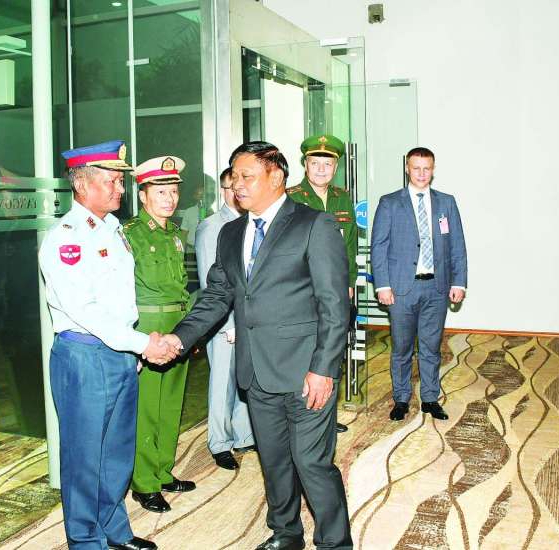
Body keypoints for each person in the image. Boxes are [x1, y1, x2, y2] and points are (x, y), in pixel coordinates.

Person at [165, 142, 353, 550]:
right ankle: (286, 533)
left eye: (246, 176)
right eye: (234, 176)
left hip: (306, 371)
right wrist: (179, 337)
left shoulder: (314, 224)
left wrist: (324, 369)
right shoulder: (231, 233)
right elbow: (217, 295)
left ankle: (335, 543)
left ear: (276, 177)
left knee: (312, 462)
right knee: (274, 461)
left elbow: (335, 305)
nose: (237, 184)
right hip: (255, 370)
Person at [39, 140, 171, 550]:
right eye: (111, 181)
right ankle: (85, 540)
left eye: (120, 181)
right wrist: (140, 344)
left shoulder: (113, 229)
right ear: (82, 184)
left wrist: (131, 348)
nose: (120, 188)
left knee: (117, 450)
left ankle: (115, 529)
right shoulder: (66, 238)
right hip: (84, 356)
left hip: (118, 352)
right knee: (84, 457)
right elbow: (86, 310)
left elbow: (119, 301)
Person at [370, 147, 467, 422]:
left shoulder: (446, 203)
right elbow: (379, 247)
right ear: (407, 169)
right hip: (401, 289)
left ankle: (430, 399)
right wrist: (382, 285)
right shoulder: (390, 203)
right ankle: (401, 399)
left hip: (436, 288)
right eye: (416, 168)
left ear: (433, 170)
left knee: (431, 347)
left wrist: (459, 281)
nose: (422, 174)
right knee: (401, 348)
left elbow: (457, 245)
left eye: (427, 168)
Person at [124, 155, 197, 513]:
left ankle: (163, 471)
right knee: (146, 409)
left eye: (173, 192)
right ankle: (144, 482)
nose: (170, 199)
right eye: (161, 192)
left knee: (170, 405)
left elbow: (182, 287)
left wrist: (189, 331)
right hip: (148, 330)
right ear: (143, 195)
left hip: (177, 327)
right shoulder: (130, 235)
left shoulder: (175, 235)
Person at [288, 134, 358, 434]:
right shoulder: (292, 198)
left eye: (327, 165)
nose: (321, 169)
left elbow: (350, 245)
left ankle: (327, 412)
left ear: (336, 168)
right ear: (305, 165)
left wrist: (350, 282)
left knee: (333, 348)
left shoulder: (342, 198)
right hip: (304, 290)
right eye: (315, 163)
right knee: (305, 350)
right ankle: (304, 410)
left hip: (337, 290)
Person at [195, 167, 254, 470]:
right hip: (224, 322)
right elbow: (211, 285)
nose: (238, 191)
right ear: (223, 190)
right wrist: (228, 325)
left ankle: (243, 435)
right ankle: (219, 443)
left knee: (244, 378)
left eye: (243, 185)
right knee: (222, 383)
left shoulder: (251, 222)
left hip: (248, 319)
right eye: (232, 187)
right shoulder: (211, 227)